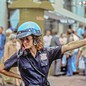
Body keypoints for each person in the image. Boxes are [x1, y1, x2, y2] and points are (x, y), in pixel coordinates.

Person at [0, 21, 86, 86]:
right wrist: (19, 77)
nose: (24, 42)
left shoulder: (47, 52)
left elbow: (68, 46)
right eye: (22, 39)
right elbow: (2, 69)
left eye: (27, 39)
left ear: (35, 39)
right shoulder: (19, 56)